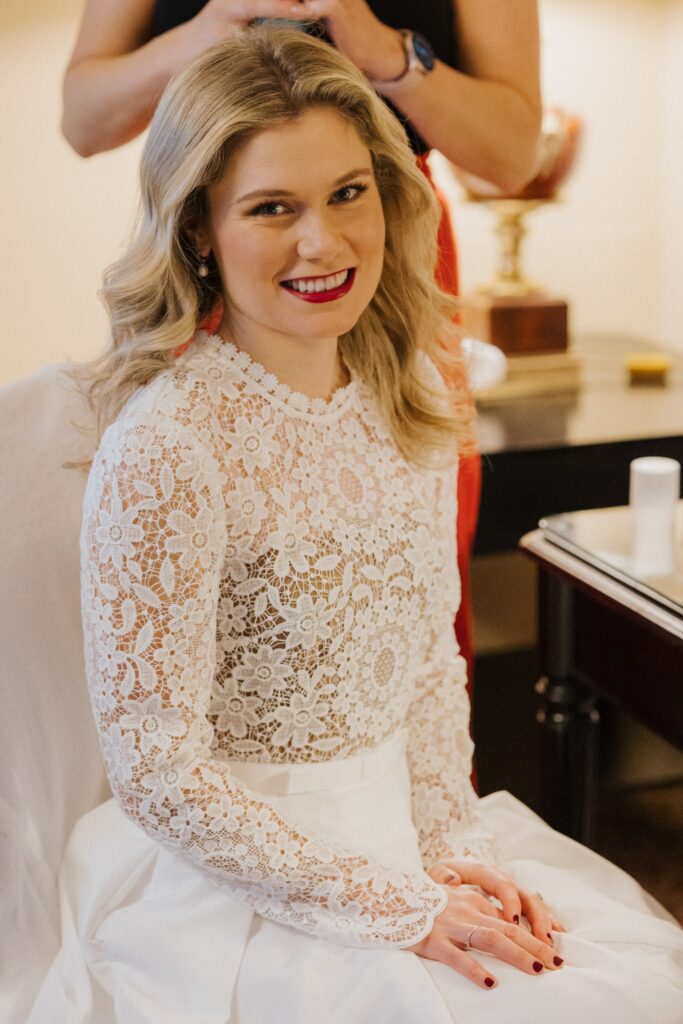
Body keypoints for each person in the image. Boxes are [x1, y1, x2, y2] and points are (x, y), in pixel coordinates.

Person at [30, 28, 681, 1024]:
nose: (323, 243)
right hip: (240, 881)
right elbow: (158, 774)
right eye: (271, 208)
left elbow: (425, 664)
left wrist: (451, 850)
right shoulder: (166, 446)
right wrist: (394, 907)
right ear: (198, 228)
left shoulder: (411, 394)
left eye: (346, 193)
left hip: (408, 836)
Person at [61, 0, 543, 692]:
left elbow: (514, 155)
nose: (315, 242)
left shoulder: (358, 235)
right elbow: (82, 119)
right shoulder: (162, 438)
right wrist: (203, 36)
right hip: (235, 252)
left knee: (413, 594)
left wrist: (386, 53)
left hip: (386, 250)